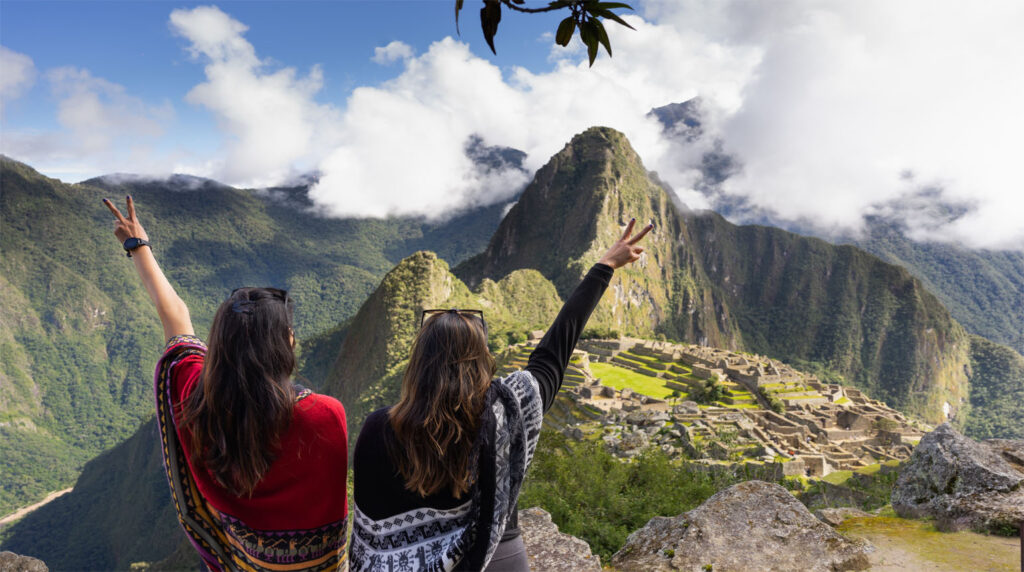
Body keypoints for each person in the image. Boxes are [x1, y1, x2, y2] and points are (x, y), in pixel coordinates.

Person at [350, 217, 653, 571]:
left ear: (418, 363)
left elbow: (370, 534)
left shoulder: (379, 429)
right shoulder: (509, 415)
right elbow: (554, 350)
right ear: (482, 360)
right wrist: (605, 267)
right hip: (500, 560)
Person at [104, 197, 349, 571]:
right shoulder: (325, 414)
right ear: (287, 343)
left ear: (221, 342)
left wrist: (138, 247)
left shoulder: (194, 398)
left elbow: (175, 319)